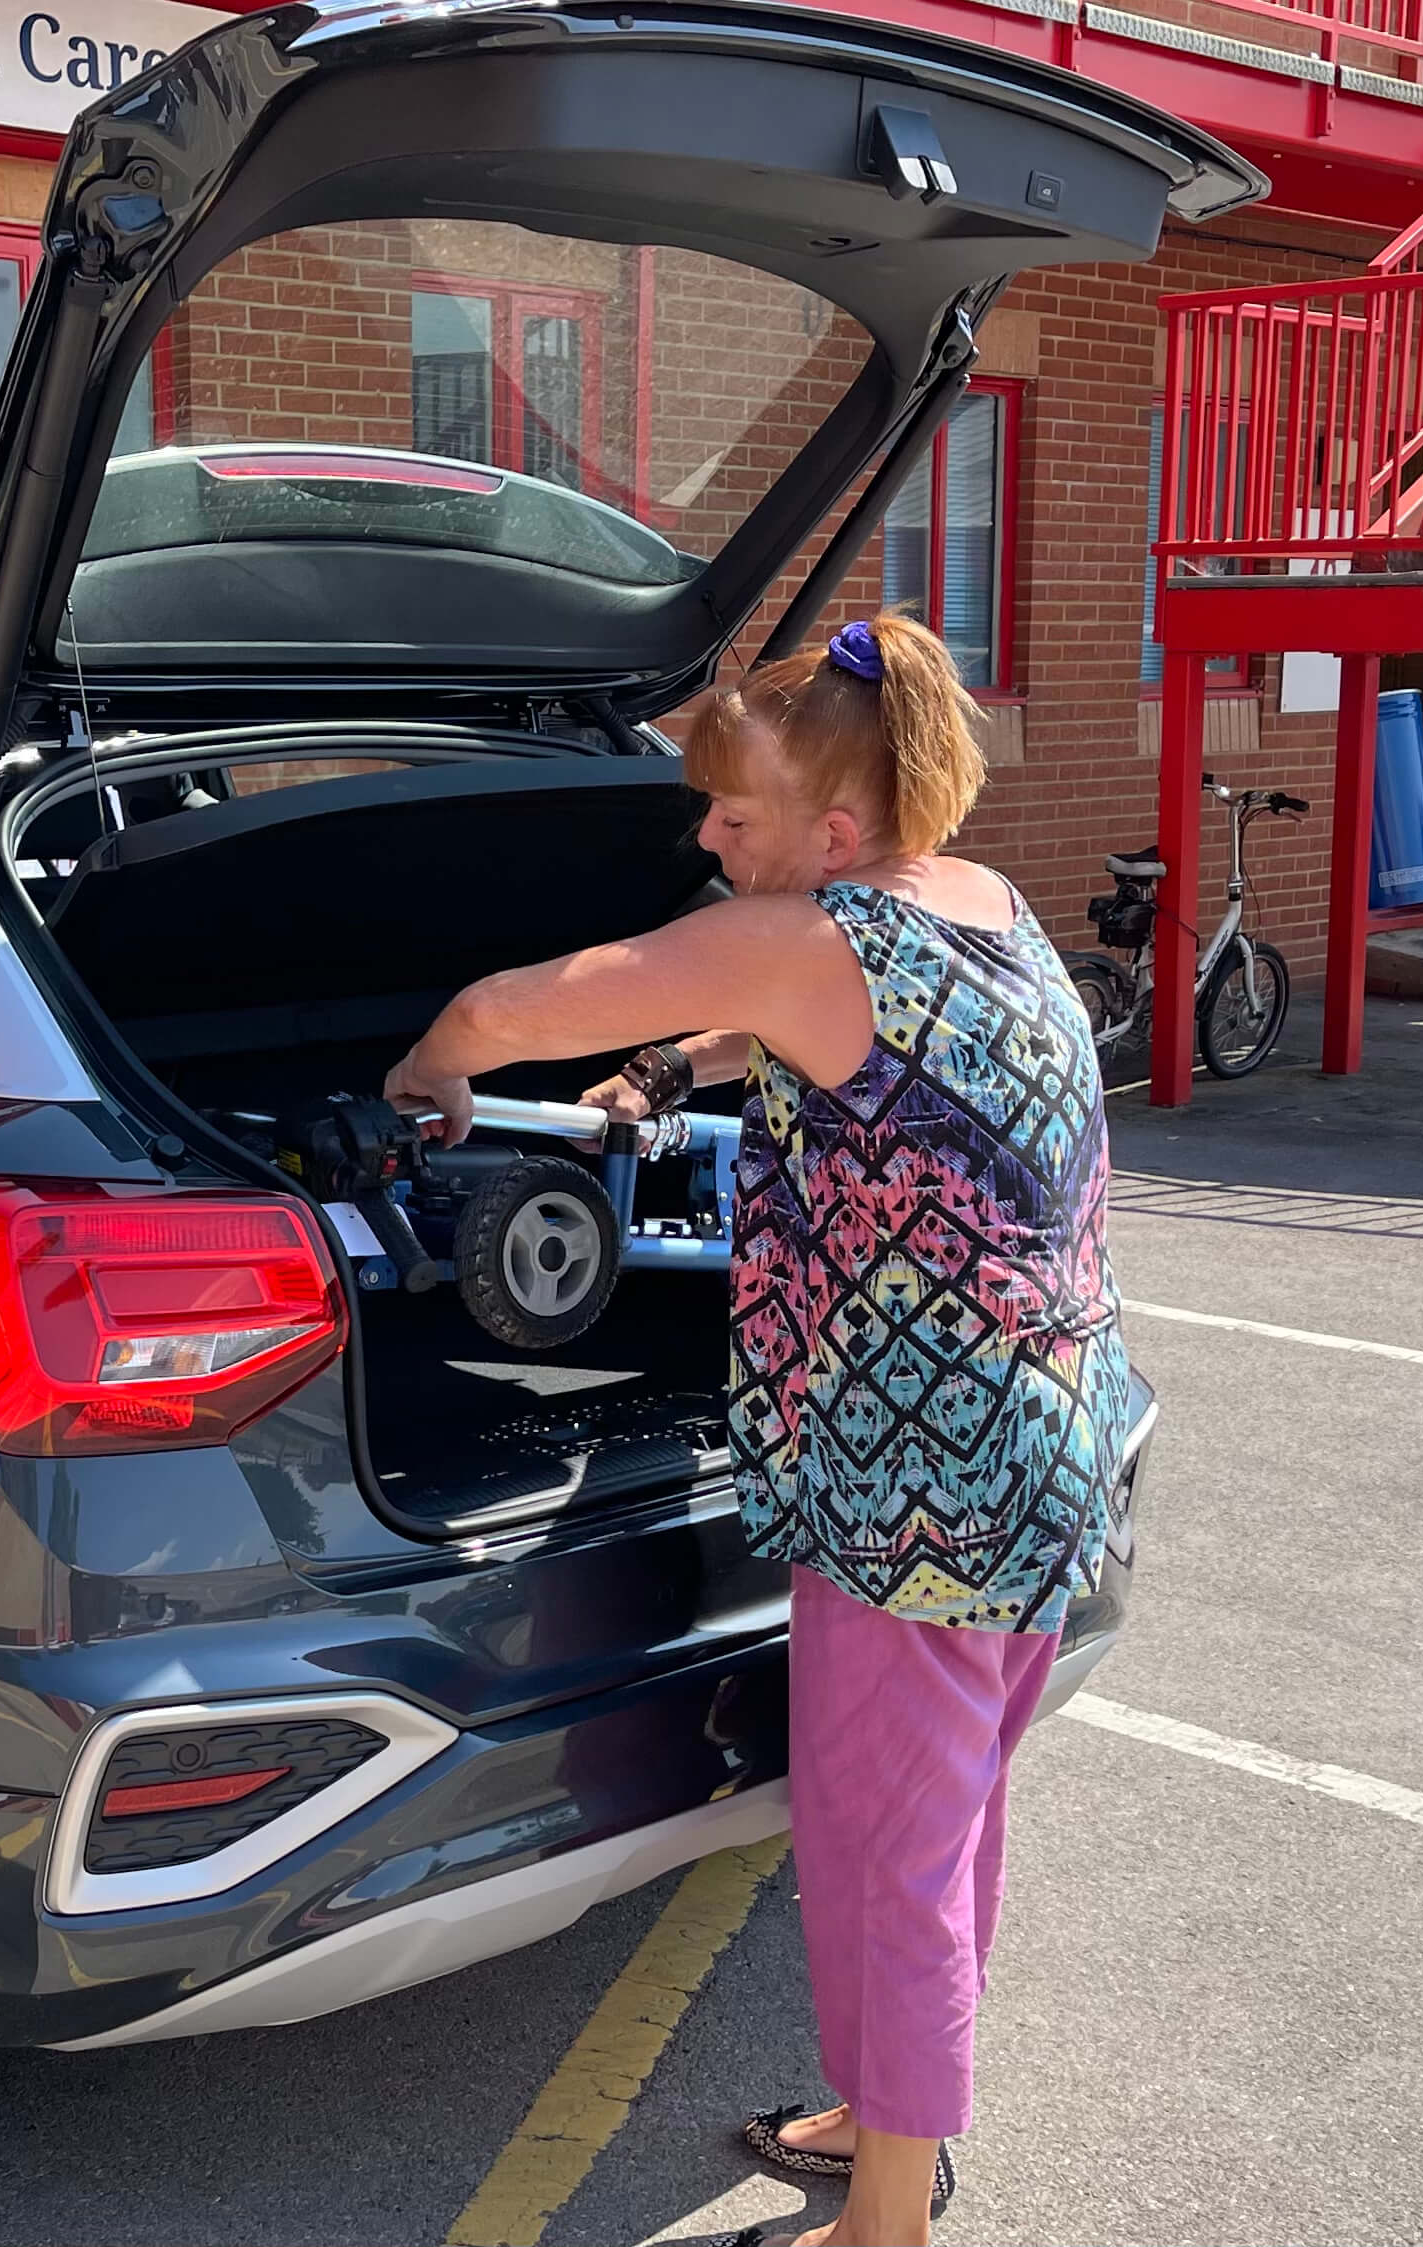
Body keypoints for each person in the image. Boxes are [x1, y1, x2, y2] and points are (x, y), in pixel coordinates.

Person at [382, 613, 1128, 2247]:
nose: (705, 833)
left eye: (733, 812)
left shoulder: (810, 931)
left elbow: (521, 1004)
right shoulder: (980, 902)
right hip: (1041, 1451)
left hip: (920, 1496)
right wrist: (667, 1073)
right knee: (929, 1821)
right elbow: (771, 1028)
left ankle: (888, 2221)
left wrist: (433, 1064)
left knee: (895, 1850)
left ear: (834, 837)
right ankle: (881, 2117)